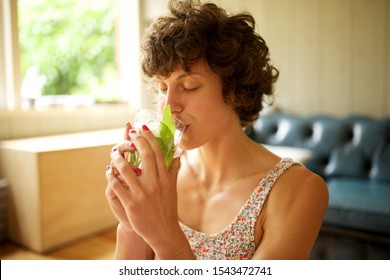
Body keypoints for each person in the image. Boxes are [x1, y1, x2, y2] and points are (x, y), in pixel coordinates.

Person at [105, 0, 328, 260]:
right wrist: (131, 226)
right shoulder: (157, 177)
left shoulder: (299, 190)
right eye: (163, 88)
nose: (168, 107)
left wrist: (164, 236)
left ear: (234, 91)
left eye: (188, 86)